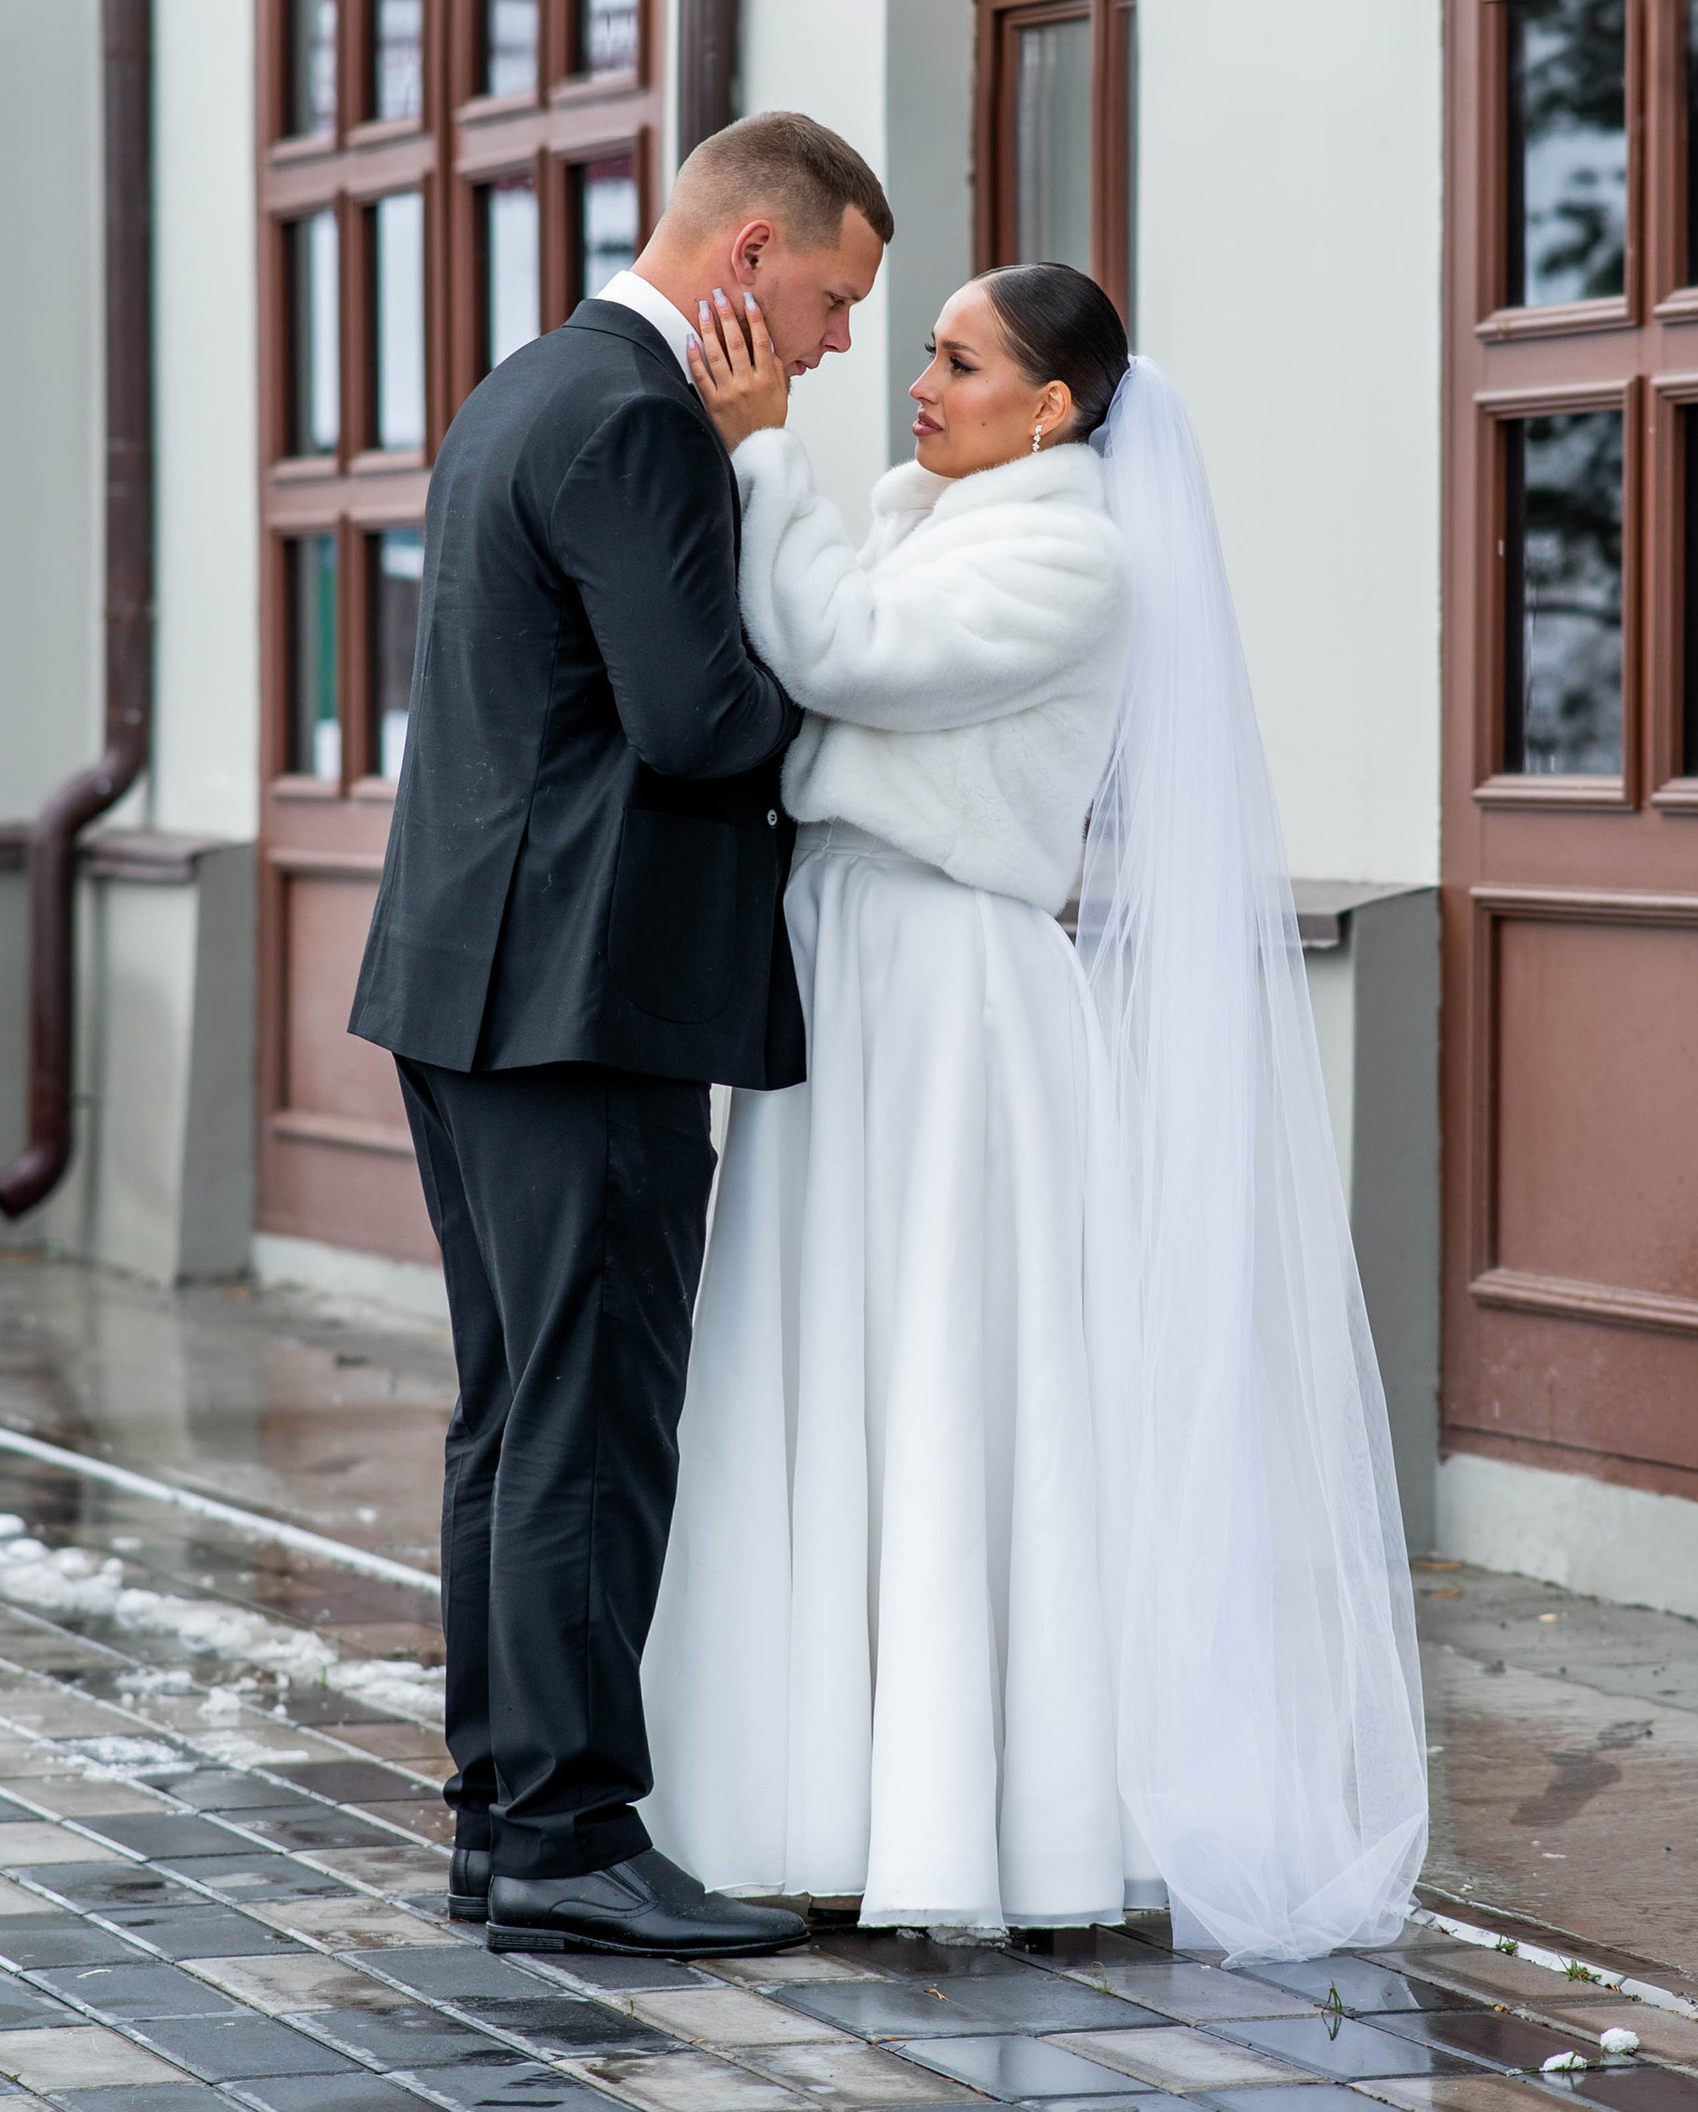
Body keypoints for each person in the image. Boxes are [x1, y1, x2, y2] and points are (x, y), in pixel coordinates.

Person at [645, 263, 1428, 1955]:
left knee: (940, 1380)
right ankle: (811, 1798)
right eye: (920, 350)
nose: (919, 380)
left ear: (1054, 404)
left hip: (945, 995)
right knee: (827, 1369)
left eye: (958, 358)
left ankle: (960, 1814)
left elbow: (838, 652)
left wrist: (759, 448)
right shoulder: (941, 516)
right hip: (859, 977)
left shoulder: (1070, 555)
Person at [348, 111, 891, 1960]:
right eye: (829, 301)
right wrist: (756, 473)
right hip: (579, 998)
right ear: (748, 257)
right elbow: (703, 725)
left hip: (474, 984)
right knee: (582, 1427)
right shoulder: (651, 421)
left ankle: (507, 1823)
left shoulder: (526, 386)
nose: (832, 350)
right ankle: (573, 1838)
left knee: (513, 1418)